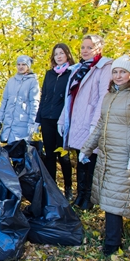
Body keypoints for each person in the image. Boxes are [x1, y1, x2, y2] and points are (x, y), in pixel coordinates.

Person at [79, 55, 130, 256]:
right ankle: (114, 237)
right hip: (107, 153)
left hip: (125, 154)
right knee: (110, 195)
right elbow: (101, 126)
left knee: (115, 198)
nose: (118, 75)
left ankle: (112, 246)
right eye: (115, 72)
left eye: (123, 72)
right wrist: (86, 149)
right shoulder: (111, 95)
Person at [58, 35, 113, 210]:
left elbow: (104, 96)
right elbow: (68, 97)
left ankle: (88, 198)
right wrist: (62, 120)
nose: (85, 50)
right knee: (80, 160)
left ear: (99, 48)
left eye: (90, 47)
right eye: (83, 47)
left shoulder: (104, 67)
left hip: (89, 121)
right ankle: (80, 196)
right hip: (76, 120)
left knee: (90, 160)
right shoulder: (78, 69)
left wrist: (94, 123)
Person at [35, 44, 75, 201]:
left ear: (67, 55)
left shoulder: (72, 73)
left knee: (63, 156)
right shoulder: (49, 74)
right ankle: (51, 189)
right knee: (50, 156)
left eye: (62, 53)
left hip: (62, 120)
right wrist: (38, 119)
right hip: (47, 119)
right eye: (56, 54)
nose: (59, 56)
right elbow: (44, 96)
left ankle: (68, 188)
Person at [0, 55, 40, 144]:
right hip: (9, 121)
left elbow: (34, 103)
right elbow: (4, 100)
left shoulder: (32, 82)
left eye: (23, 64)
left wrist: (32, 122)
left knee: (20, 150)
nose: (20, 67)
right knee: (9, 151)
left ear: (28, 66)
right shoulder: (11, 81)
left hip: (23, 122)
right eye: (18, 64)